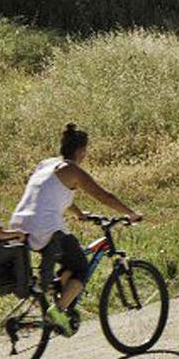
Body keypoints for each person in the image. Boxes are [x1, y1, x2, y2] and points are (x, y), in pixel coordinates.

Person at [10, 123, 143, 336]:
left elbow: (51, 193)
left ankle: (55, 289)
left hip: (19, 225)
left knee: (70, 258)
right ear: (81, 151)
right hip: (44, 228)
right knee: (81, 265)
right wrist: (131, 213)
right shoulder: (72, 170)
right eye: (86, 151)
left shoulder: (46, 164)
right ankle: (58, 311)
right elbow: (104, 196)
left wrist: (78, 213)